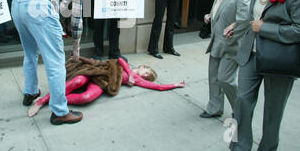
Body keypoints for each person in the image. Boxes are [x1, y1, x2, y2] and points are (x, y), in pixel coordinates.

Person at [229, 0, 300, 151]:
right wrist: (237, 24)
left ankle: (267, 149)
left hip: (278, 58)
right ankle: (239, 145)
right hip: (250, 54)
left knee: (274, 110)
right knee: (242, 101)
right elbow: (253, 18)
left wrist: (266, 29)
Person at [11, 0, 86, 125]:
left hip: (17, 1)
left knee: (30, 54)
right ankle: (60, 112)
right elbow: (76, 18)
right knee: (56, 62)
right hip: (38, 5)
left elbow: (55, 3)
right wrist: (76, 48)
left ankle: (30, 92)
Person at [28, 57, 185, 117]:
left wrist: (175, 85)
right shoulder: (128, 67)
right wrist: (129, 72)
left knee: (86, 97)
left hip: (102, 83)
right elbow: (119, 59)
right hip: (98, 71)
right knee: (77, 82)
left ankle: (54, 100)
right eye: (147, 72)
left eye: (148, 76)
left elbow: (157, 87)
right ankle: (42, 101)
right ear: (142, 66)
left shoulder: (136, 80)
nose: (146, 76)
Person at [200, 0, 250, 119]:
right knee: (213, 78)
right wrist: (210, 17)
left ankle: (240, 109)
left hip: (231, 44)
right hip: (216, 42)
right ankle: (214, 108)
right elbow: (220, 12)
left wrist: (232, 32)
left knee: (225, 79)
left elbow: (244, 19)